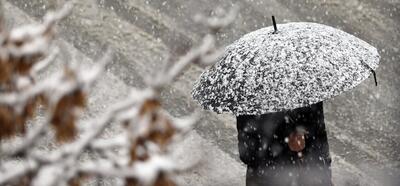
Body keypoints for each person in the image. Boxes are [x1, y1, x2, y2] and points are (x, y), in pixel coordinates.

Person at [236, 102, 332, 186]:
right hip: (269, 174)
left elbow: (318, 131)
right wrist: (286, 137)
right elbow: (248, 152)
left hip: (309, 169)